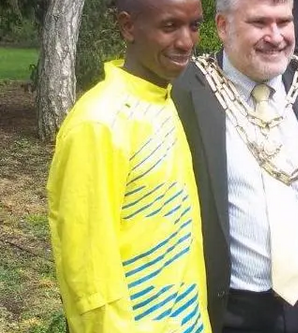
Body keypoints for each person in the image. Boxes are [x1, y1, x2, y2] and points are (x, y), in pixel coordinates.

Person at [172, 0, 298, 332]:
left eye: (284, 22)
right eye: (260, 23)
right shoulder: (189, 92)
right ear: (223, 27)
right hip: (235, 310)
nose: (276, 37)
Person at [46, 0, 212, 332]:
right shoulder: (98, 123)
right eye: (169, 27)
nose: (186, 41)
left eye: (194, 26)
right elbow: (88, 273)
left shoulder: (162, 100)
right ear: (128, 27)